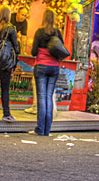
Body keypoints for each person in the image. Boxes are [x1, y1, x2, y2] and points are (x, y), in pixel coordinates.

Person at [31, 8, 65, 136]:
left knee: (41, 97)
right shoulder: (57, 32)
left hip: (41, 66)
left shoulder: (39, 32)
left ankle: (39, 129)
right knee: (49, 97)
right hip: (54, 67)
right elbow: (62, 49)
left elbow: (33, 52)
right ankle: (47, 130)